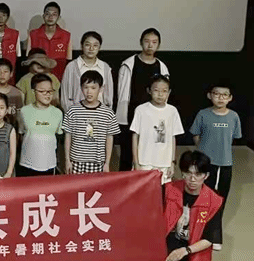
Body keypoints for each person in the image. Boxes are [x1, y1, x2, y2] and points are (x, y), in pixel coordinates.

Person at [156, 150, 222, 261]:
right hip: (172, 241)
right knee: (150, 248)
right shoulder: (169, 189)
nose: (192, 179)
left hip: (193, 250)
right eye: (188, 173)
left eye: (198, 174)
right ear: (182, 173)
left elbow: (209, 239)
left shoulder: (214, 201)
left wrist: (185, 251)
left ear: (206, 176)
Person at [189, 80, 242, 250]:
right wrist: (203, 151)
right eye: (217, 94)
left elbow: (234, 137)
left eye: (224, 95)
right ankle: (197, 232)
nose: (220, 98)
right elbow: (195, 134)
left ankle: (214, 235)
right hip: (205, 163)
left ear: (230, 98)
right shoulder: (203, 114)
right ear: (209, 95)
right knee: (202, 197)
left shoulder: (234, 116)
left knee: (220, 198)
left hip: (225, 163)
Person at [116, 28, 170, 171]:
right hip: (130, 116)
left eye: (154, 42)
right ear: (141, 43)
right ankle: (126, 183)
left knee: (149, 154)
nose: (150, 45)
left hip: (153, 117)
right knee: (127, 155)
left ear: (159, 45)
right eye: (147, 41)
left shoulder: (161, 67)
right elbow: (121, 92)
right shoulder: (129, 64)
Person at [63, 71, 120, 174]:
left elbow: (109, 138)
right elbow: (68, 136)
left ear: (101, 89)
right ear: (81, 88)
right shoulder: (73, 111)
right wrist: (67, 160)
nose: (89, 92)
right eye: (86, 87)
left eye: (93, 88)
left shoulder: (108, 113)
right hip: (76, 161)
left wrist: (107, 163)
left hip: (98, 163)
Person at [131, 74, 184, 185]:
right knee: (143, 191)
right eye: (156, 90)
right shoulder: (141, 110)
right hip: (144, 162)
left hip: (164, 163)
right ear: (149, 91)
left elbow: (173, 137)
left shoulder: (172, 111)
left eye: (164, 91)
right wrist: (136, 162)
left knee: (162, 192)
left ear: (169, 92)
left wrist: (172, 162)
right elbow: (135, 136)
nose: (160, 94)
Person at [17, 73, 63, 177]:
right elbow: (20, 134)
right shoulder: (24, 111)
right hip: (27, 163)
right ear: (34, 92)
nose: (47, 94)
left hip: (49, 163)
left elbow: (58, 137)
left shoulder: (58, 113)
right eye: (42, 91)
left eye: (50, 91)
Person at [59, 31, 113, 111]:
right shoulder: (72, 67)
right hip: (77, 113)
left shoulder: (105, 67)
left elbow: (108, 96)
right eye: (87, 45)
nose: (91, 49)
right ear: (82, 46)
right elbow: (65, 96)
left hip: (99, 114)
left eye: (95, 45)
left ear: (99, 47)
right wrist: (71, 114)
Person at [26, 1, 72, 80]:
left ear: (59, 17)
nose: (50, 17)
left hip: (59, 80)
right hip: (37, 80)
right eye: (47, 14)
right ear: (43, 16)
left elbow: (69, 61)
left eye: (54, 14)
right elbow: (28, 61)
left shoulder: (66, 36)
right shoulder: (33, 34)